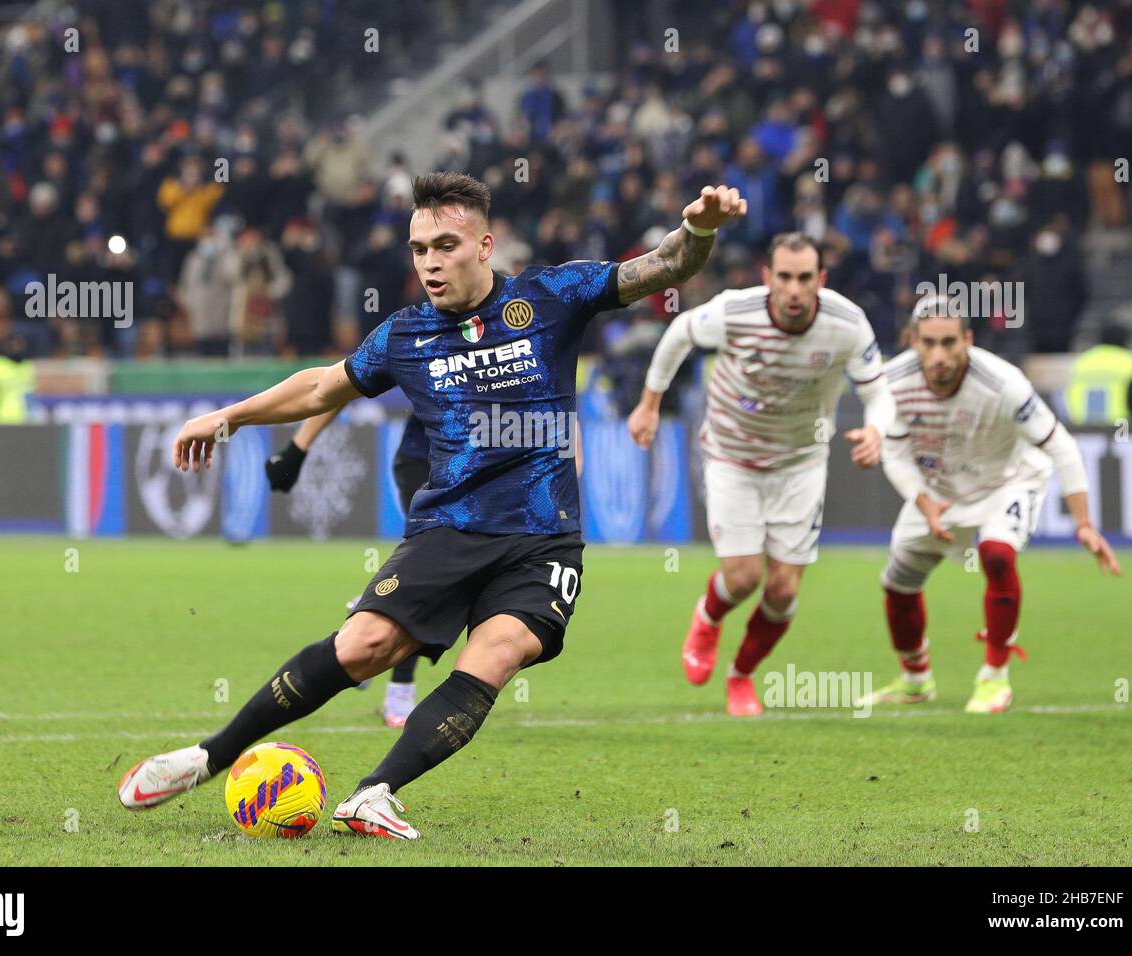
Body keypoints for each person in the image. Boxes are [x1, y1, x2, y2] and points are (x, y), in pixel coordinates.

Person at [118, 172, 746, 839]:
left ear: (484, 245)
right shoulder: (405, 335)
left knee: (500, 652)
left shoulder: (553, 295)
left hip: (542, 541)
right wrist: (227, 417)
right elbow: (321, 387)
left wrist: (699, 228)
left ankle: (374, 792)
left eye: (445, 245)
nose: (430, 262)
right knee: (365, 644)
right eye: (419, 249)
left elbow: (667, 266)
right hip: (449, 528)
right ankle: (207, 756)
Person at [627, 233, 895, 717]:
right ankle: (708, 617)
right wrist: (650, 403)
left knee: (783, 590)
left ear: (821, 280)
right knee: (746, 577)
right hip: (733, 455)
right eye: (785, 277)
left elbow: (879, 390)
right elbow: (682, 331)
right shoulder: (735, 311)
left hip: (801, 462)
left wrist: (877, 429)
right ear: (768, 277)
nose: (795, 290)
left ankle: (742, 675)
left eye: (805, 278)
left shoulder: (848, 323)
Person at [862, 294, 1121, 714]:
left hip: (1008, 479)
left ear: (968, 339)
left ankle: (994, 678)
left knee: (996, 554)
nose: (939, 354)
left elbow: (1061, 446)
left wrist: (1085, 524)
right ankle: (914, 681)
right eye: (928, 343)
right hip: (939, 491)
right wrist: (922, 501)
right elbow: (894, 450)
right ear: (912, 341)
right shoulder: (890, 383)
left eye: (949, 342)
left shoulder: (1004, 383)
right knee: (898, 583)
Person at [264, 411, 430, 728]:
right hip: (428, 462)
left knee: (451, 575)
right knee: (430, 570)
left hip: (488, 468)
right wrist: (297, 447)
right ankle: (398, 691)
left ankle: (373, 613)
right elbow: (337, 385)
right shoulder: (424, 359)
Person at [1064, 322, 1132, 426]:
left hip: (1083, 428)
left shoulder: (1082, 361)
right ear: (1125, 340)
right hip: (1120, 426)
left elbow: (1068, 393)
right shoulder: (1131, 361)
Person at [0, 334, 36, 424]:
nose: (16, 349)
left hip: (23, 420)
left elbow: (29, 395)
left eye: (18, 346)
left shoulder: (27, 367)